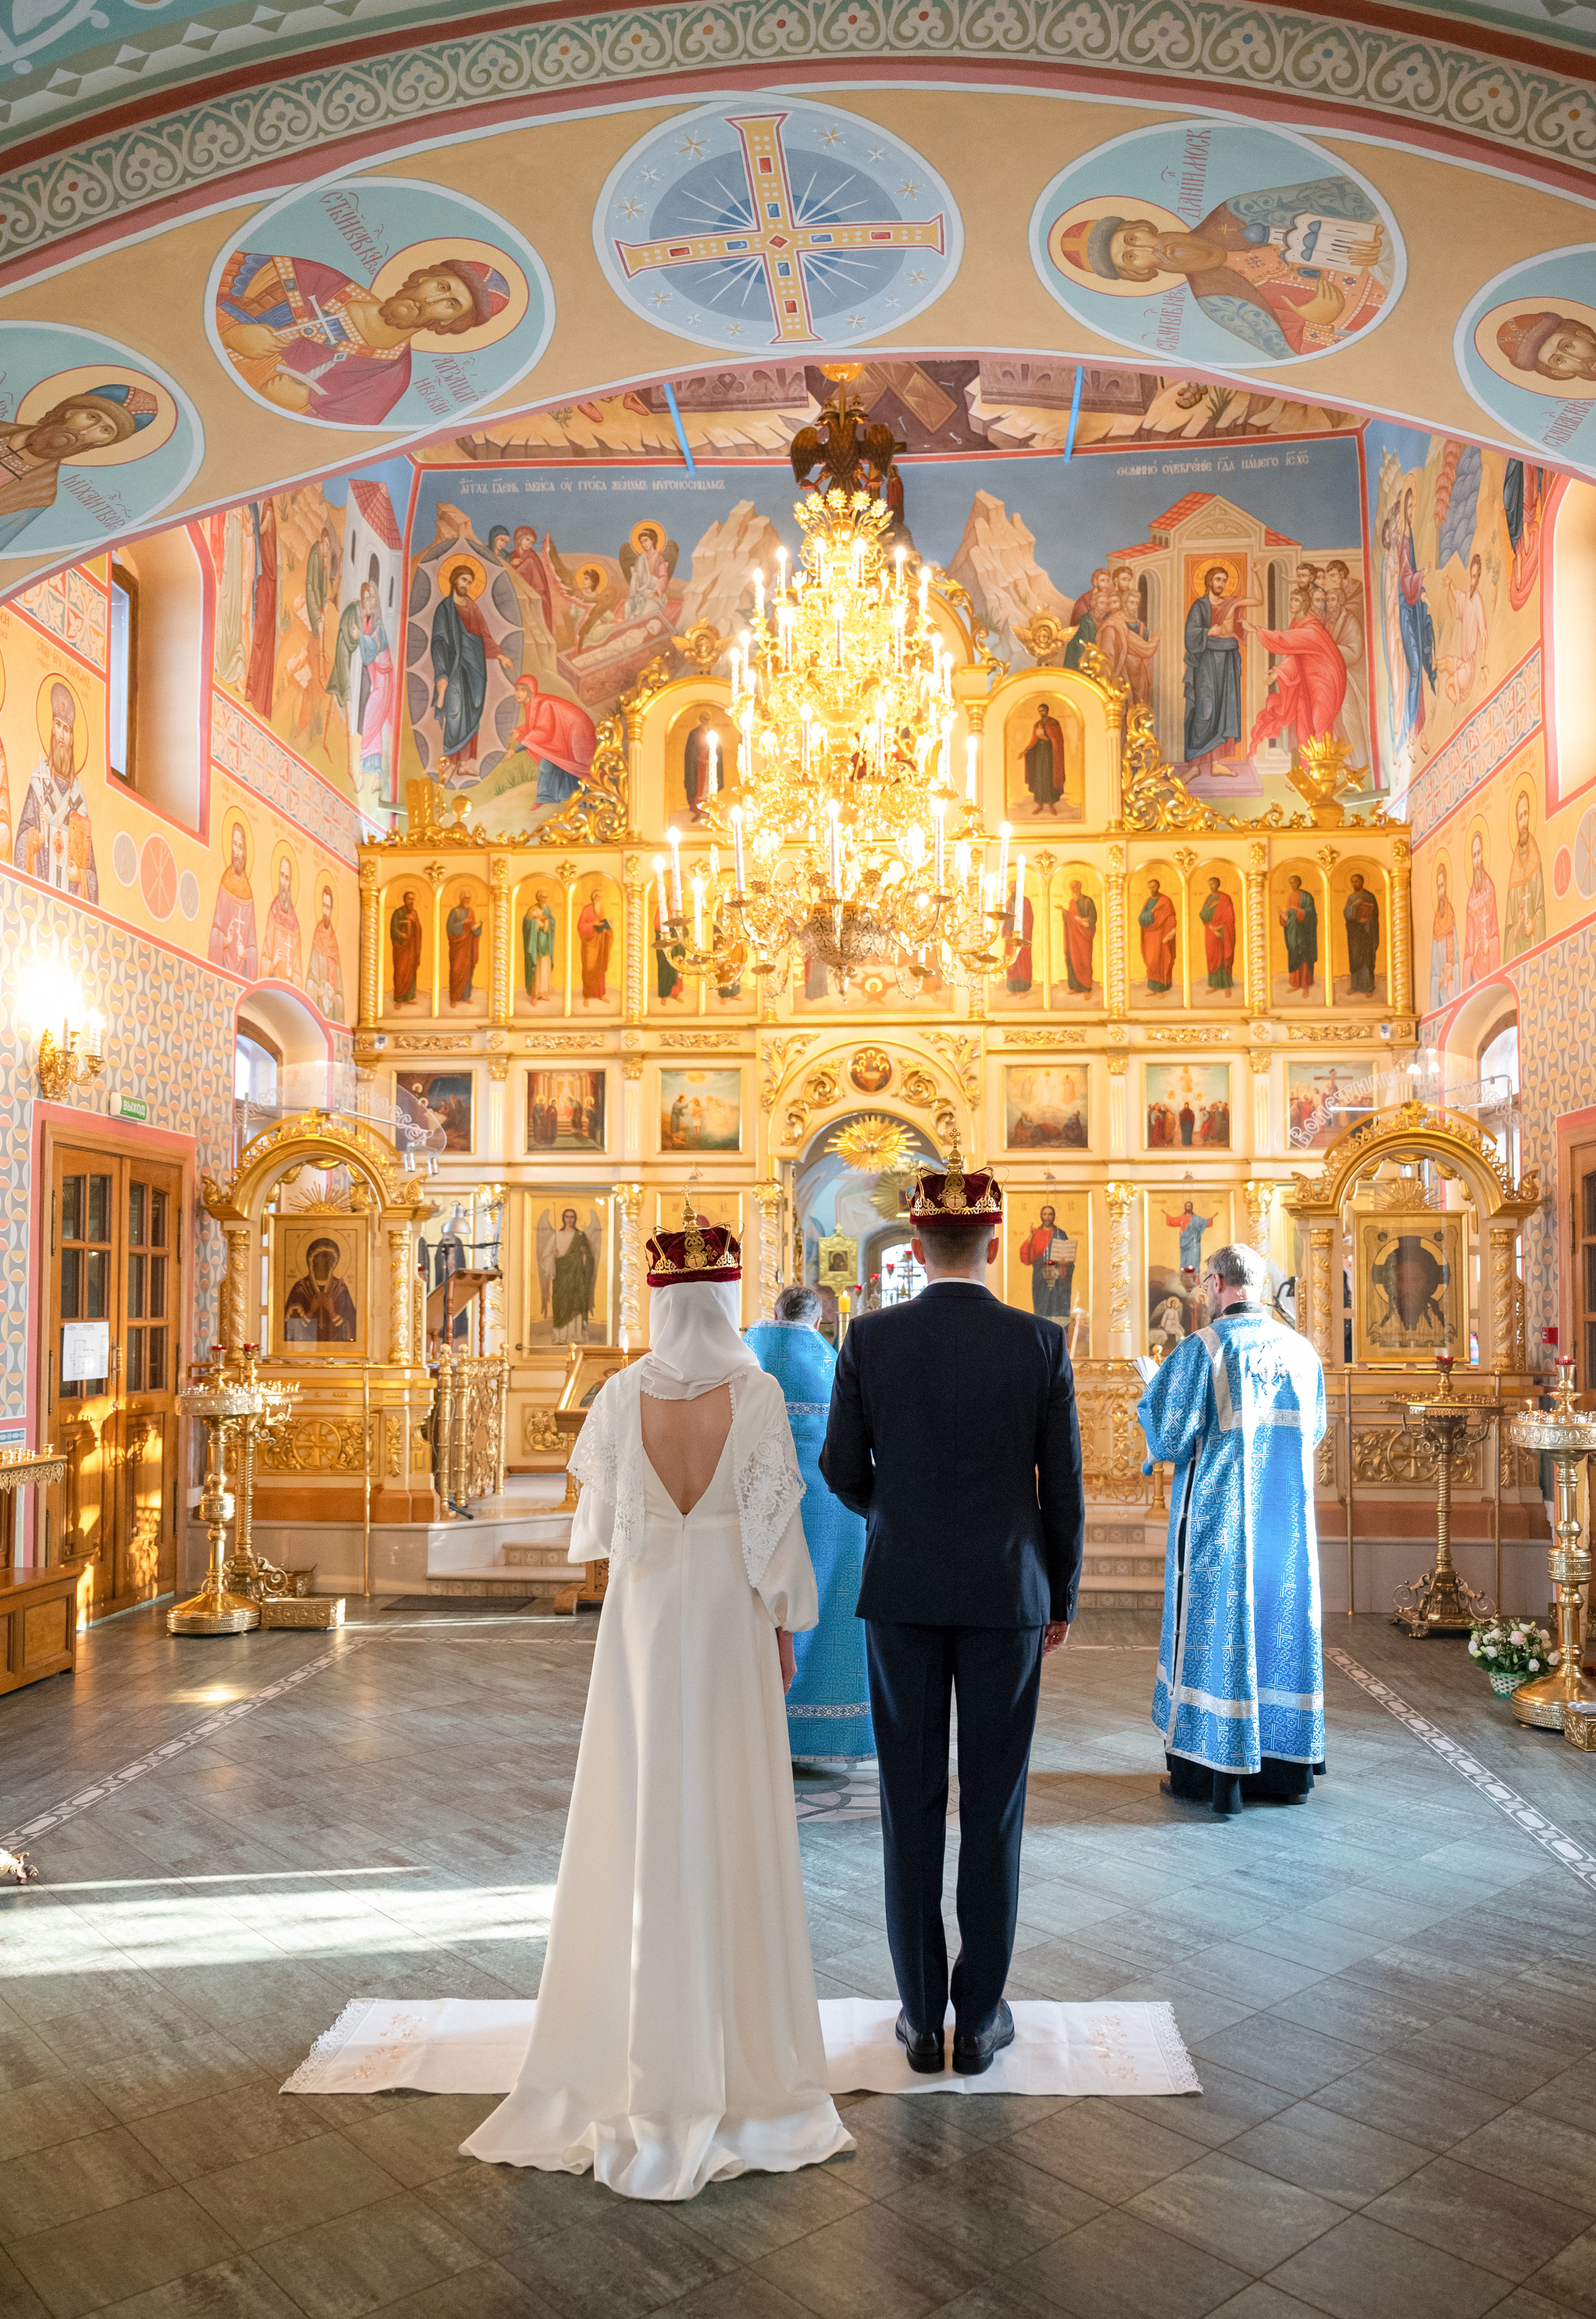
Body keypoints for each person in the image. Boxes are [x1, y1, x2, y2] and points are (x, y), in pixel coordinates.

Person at [464, 1209, 851, 2196]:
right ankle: (736, 2042)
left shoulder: (618, 1393)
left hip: (641, 1623)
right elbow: (776, 1540)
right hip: (729, 1620)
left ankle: (625, 2035)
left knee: (639, 1804)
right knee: (727, 1807)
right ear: (723, 1300)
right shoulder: (755, 1393)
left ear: (659, 1300)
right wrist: (786, 1624)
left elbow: (596, 1534)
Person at [820, 1145, 1084, 2077]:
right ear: (995, 1242)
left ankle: (918, 2013)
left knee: (910, 1803)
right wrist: (1060, 1592)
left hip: (901, 1591)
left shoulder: (868, 1339)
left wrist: (894, 1514)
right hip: (1010, 1595)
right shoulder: (1040, 1341)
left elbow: (840, 1468)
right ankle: (978, 2022)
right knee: (996, 1806)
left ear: (917, 1244)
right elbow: (1064, 1489)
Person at [1137, 1242, 1327, 1816]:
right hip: (1285, 1528)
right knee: (1281, 1624)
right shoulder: (1302, 1350)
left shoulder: (1205, 1348)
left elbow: (1170, 1436)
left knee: (1220, 1626)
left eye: (1206, 1284)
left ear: (1217, 1283)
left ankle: (1212, 1768)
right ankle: (1285, 1770)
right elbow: (1315, 1430)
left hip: (1220, 1524)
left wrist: (1151, 1387)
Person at [746, 1282, 875, 1764]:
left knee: (763, 1609)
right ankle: (825, 1732)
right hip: (829, 1508)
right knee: (829, 1601)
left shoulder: (746, 1360)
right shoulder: (830, 1364)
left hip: (759, 1508)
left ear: (775, 1312)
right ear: (818, 1321)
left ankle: (758, 1732)